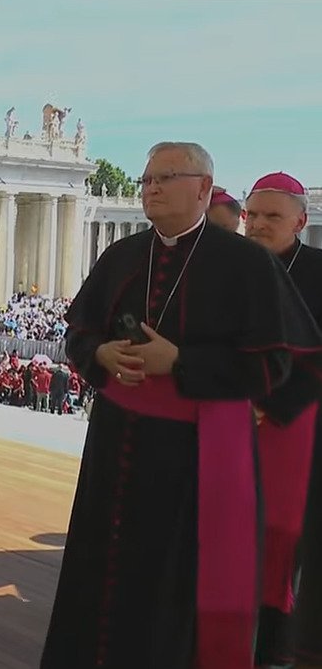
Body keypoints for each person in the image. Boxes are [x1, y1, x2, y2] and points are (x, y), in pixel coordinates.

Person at [40, 142, 322, 669]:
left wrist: (183, 363)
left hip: (193, 455)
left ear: (201, 188)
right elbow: (79, 331)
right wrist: (97, 351)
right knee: (99, 570)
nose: (148, 187)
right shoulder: (120, 257)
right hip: (113, 442)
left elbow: (276, 363)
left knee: (170, 581)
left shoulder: (245, 264)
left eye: (163, 178)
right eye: (146, 179)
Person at [245, 171, 322, 668]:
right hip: (223, 417)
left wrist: (264, 400)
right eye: (252, 215)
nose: (257, 225)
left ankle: (273, 644)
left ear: (301, 220)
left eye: (272, 216)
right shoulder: (229, 266)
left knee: (278, 533)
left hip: (292, 423)